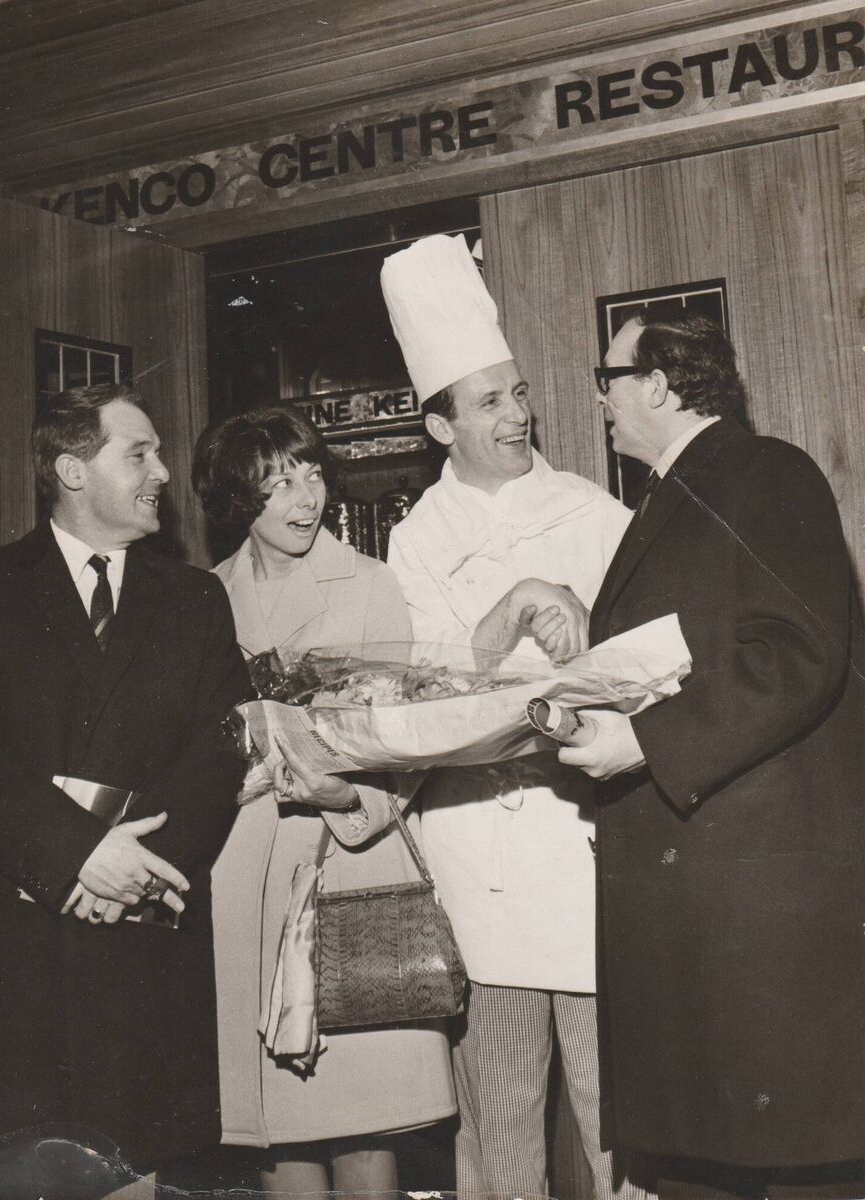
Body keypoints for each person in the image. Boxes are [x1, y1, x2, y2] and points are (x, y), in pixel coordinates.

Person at [558, 307, 865, 1199]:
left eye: (607, 379)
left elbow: (798, 652)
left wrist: (646, 743)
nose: (602, 401)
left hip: (758, 902)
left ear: (656, 385)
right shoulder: (681, 490)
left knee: (797, 1166)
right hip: (709, 896)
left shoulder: (767, 473)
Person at [0, 383, 252, 1200]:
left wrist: (137, 871)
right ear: (72, 470)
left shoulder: (196, 598)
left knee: (137, 1167)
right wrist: (79, 856)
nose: (164, 473)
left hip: (147, 940)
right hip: (17, 956)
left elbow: (224, 749)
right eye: (140, 452)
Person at [382, 233, 649, 1200]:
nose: (518, 415)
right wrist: (508, 621)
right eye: (490, 401)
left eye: (521, 391)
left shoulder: (597, 514)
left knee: (618, 1115)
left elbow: (653, 673)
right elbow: (417, 705)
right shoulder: (413, 545)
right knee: (498, 1131)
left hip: (588, 853)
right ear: (439, 426)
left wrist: (582, 655)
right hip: (473, 871)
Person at [190, 405, 456, 1198]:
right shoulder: (201, 598)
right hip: (241, 881)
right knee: (277, 1126)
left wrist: (347, 796)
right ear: (239, 499)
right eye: (279, 483)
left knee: (364, 1119)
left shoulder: (370, 585)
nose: (305, 498)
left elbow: (407, 737)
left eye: (312, 475)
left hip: (343, 869)